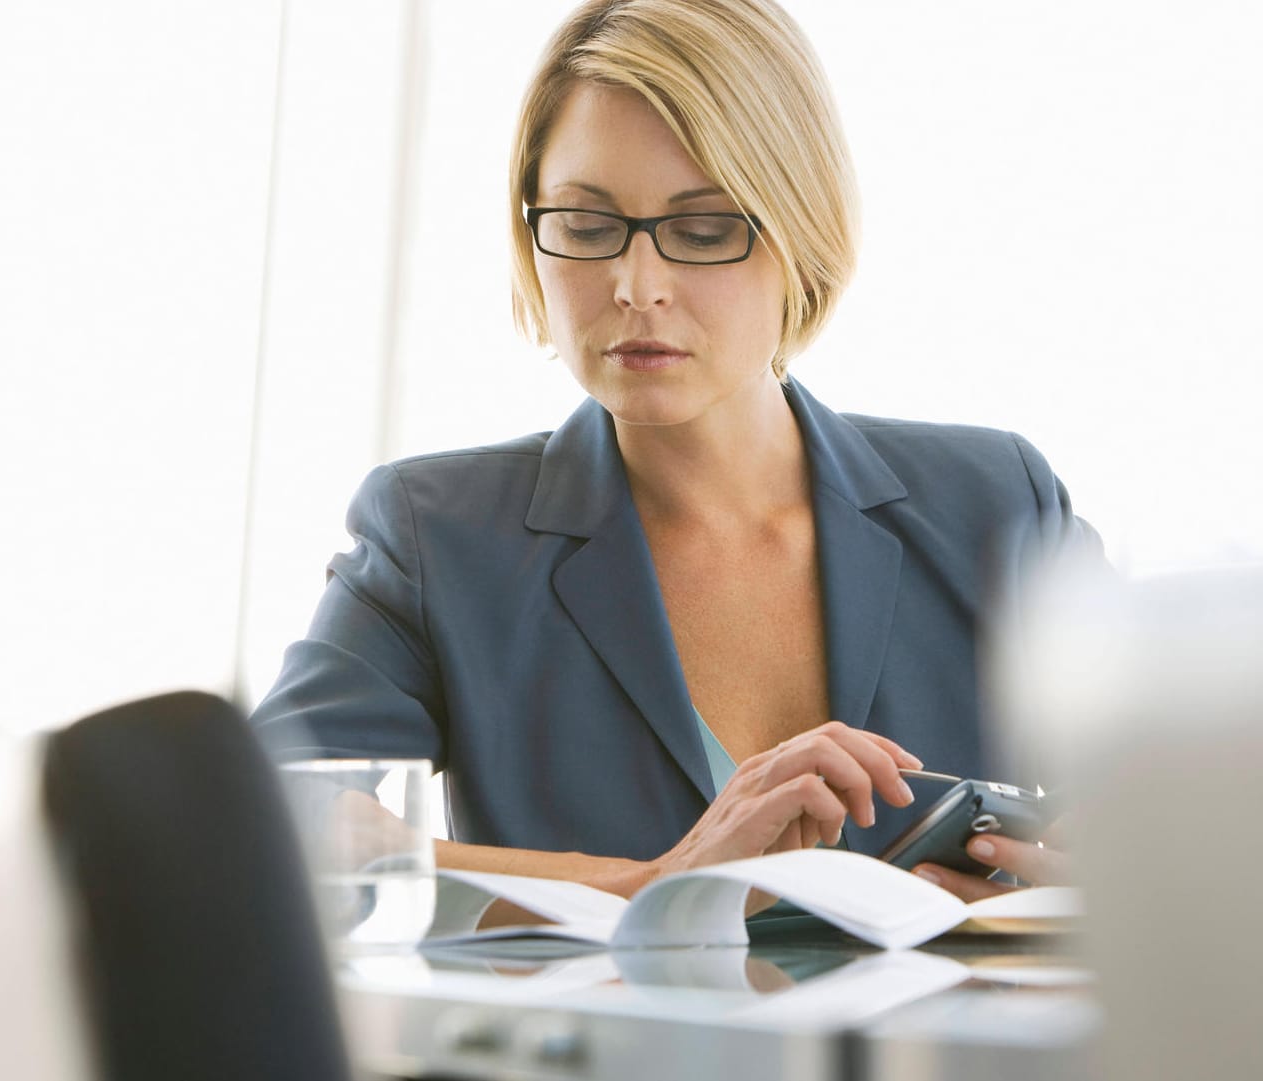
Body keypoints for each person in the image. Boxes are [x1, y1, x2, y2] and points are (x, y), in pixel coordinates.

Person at [252, 0, 1093, 904]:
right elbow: (268, 820)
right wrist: (646, 885)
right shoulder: (437, 536)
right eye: (583, 224)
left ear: (800, 236)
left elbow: (1176, 807)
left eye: (703, 232)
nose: (635, 288)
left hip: (937, 1049)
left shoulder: (996, 505)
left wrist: (1093, 885)